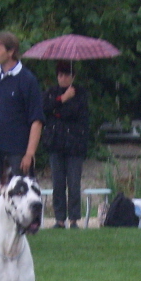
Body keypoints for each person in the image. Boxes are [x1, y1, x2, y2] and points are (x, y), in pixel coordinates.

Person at [0, 31, 45, 213]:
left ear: (11, 51)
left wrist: (30, 153)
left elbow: (36, 120)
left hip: (18, 149)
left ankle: (23, 227)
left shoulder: (27, 80)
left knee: (23, 190)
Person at [42, 61, 90, 229]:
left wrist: (59, 109)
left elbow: (74, 113)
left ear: (73, 77)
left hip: (74, 144)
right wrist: (62, 99)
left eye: (66, 75)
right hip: (55, 143)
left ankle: (74, 218)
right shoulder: (51, 93)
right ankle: (59, 218)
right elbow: (45, 109)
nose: (62, 78)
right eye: (60, 75)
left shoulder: (80, 93)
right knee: (57, 183)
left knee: (74, 183)